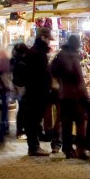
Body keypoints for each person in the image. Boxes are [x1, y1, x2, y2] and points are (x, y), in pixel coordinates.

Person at [51, 34, 89, 159]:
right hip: (75, 95)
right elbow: (79, 79)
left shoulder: (60, 54)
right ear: (77, 44)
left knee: (66, 123)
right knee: (80, 123)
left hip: (63, 94)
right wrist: (85, 96)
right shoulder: (73, 57)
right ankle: (80, 150)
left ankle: (67, 149)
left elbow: (52, 70)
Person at [22, 28, 54, 156]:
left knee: (33, 119)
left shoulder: (33, 51)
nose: (49, 43)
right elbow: (43, 75)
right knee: (34, 119)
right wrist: (49, 87)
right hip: (37, 91)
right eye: (48, 39)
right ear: (43, 38)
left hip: (32, 90)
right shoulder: (38, 53)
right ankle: (34, 147)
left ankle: (33, 146)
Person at [10, 42, 30, 140]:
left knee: (22, 109)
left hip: (17, 86)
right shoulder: (22, 61)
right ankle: (21, 130)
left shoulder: (14, 60)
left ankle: (21, 129)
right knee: (23, 109)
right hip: (21, 86)